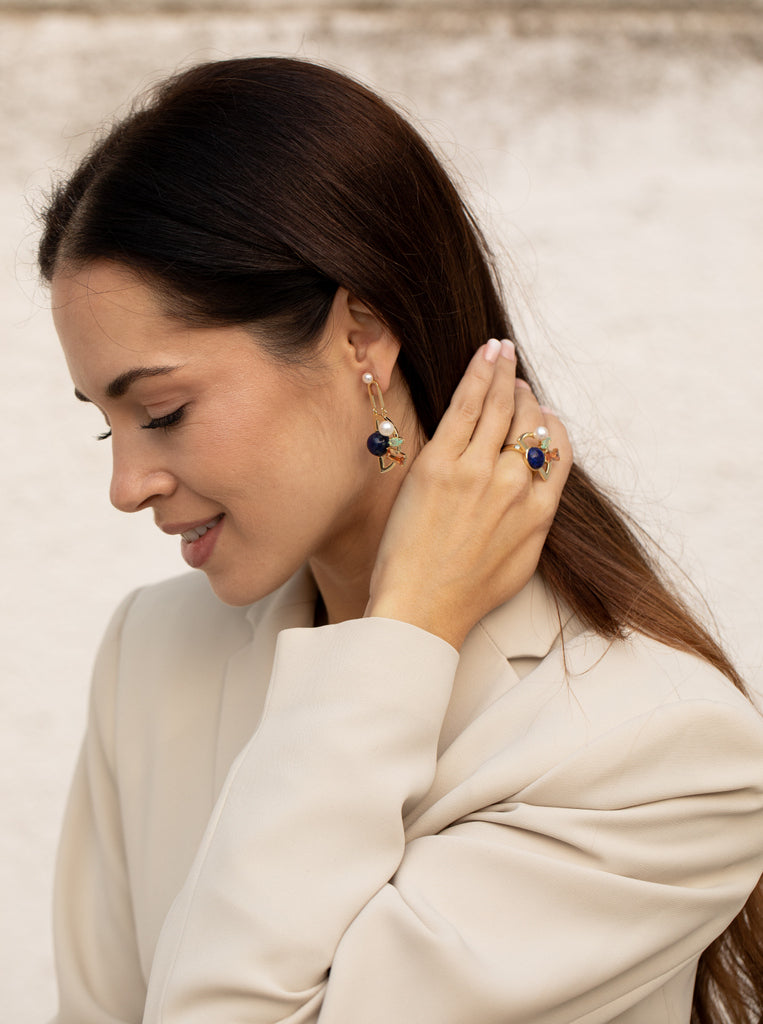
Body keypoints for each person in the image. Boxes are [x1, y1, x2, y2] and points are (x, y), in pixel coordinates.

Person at [39, 57, 763, 1024]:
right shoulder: (154, 655)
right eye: (105, 423)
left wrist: (403, 631)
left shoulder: (657, 755)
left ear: (361, 338)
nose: (127, 486)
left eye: (162, 411)